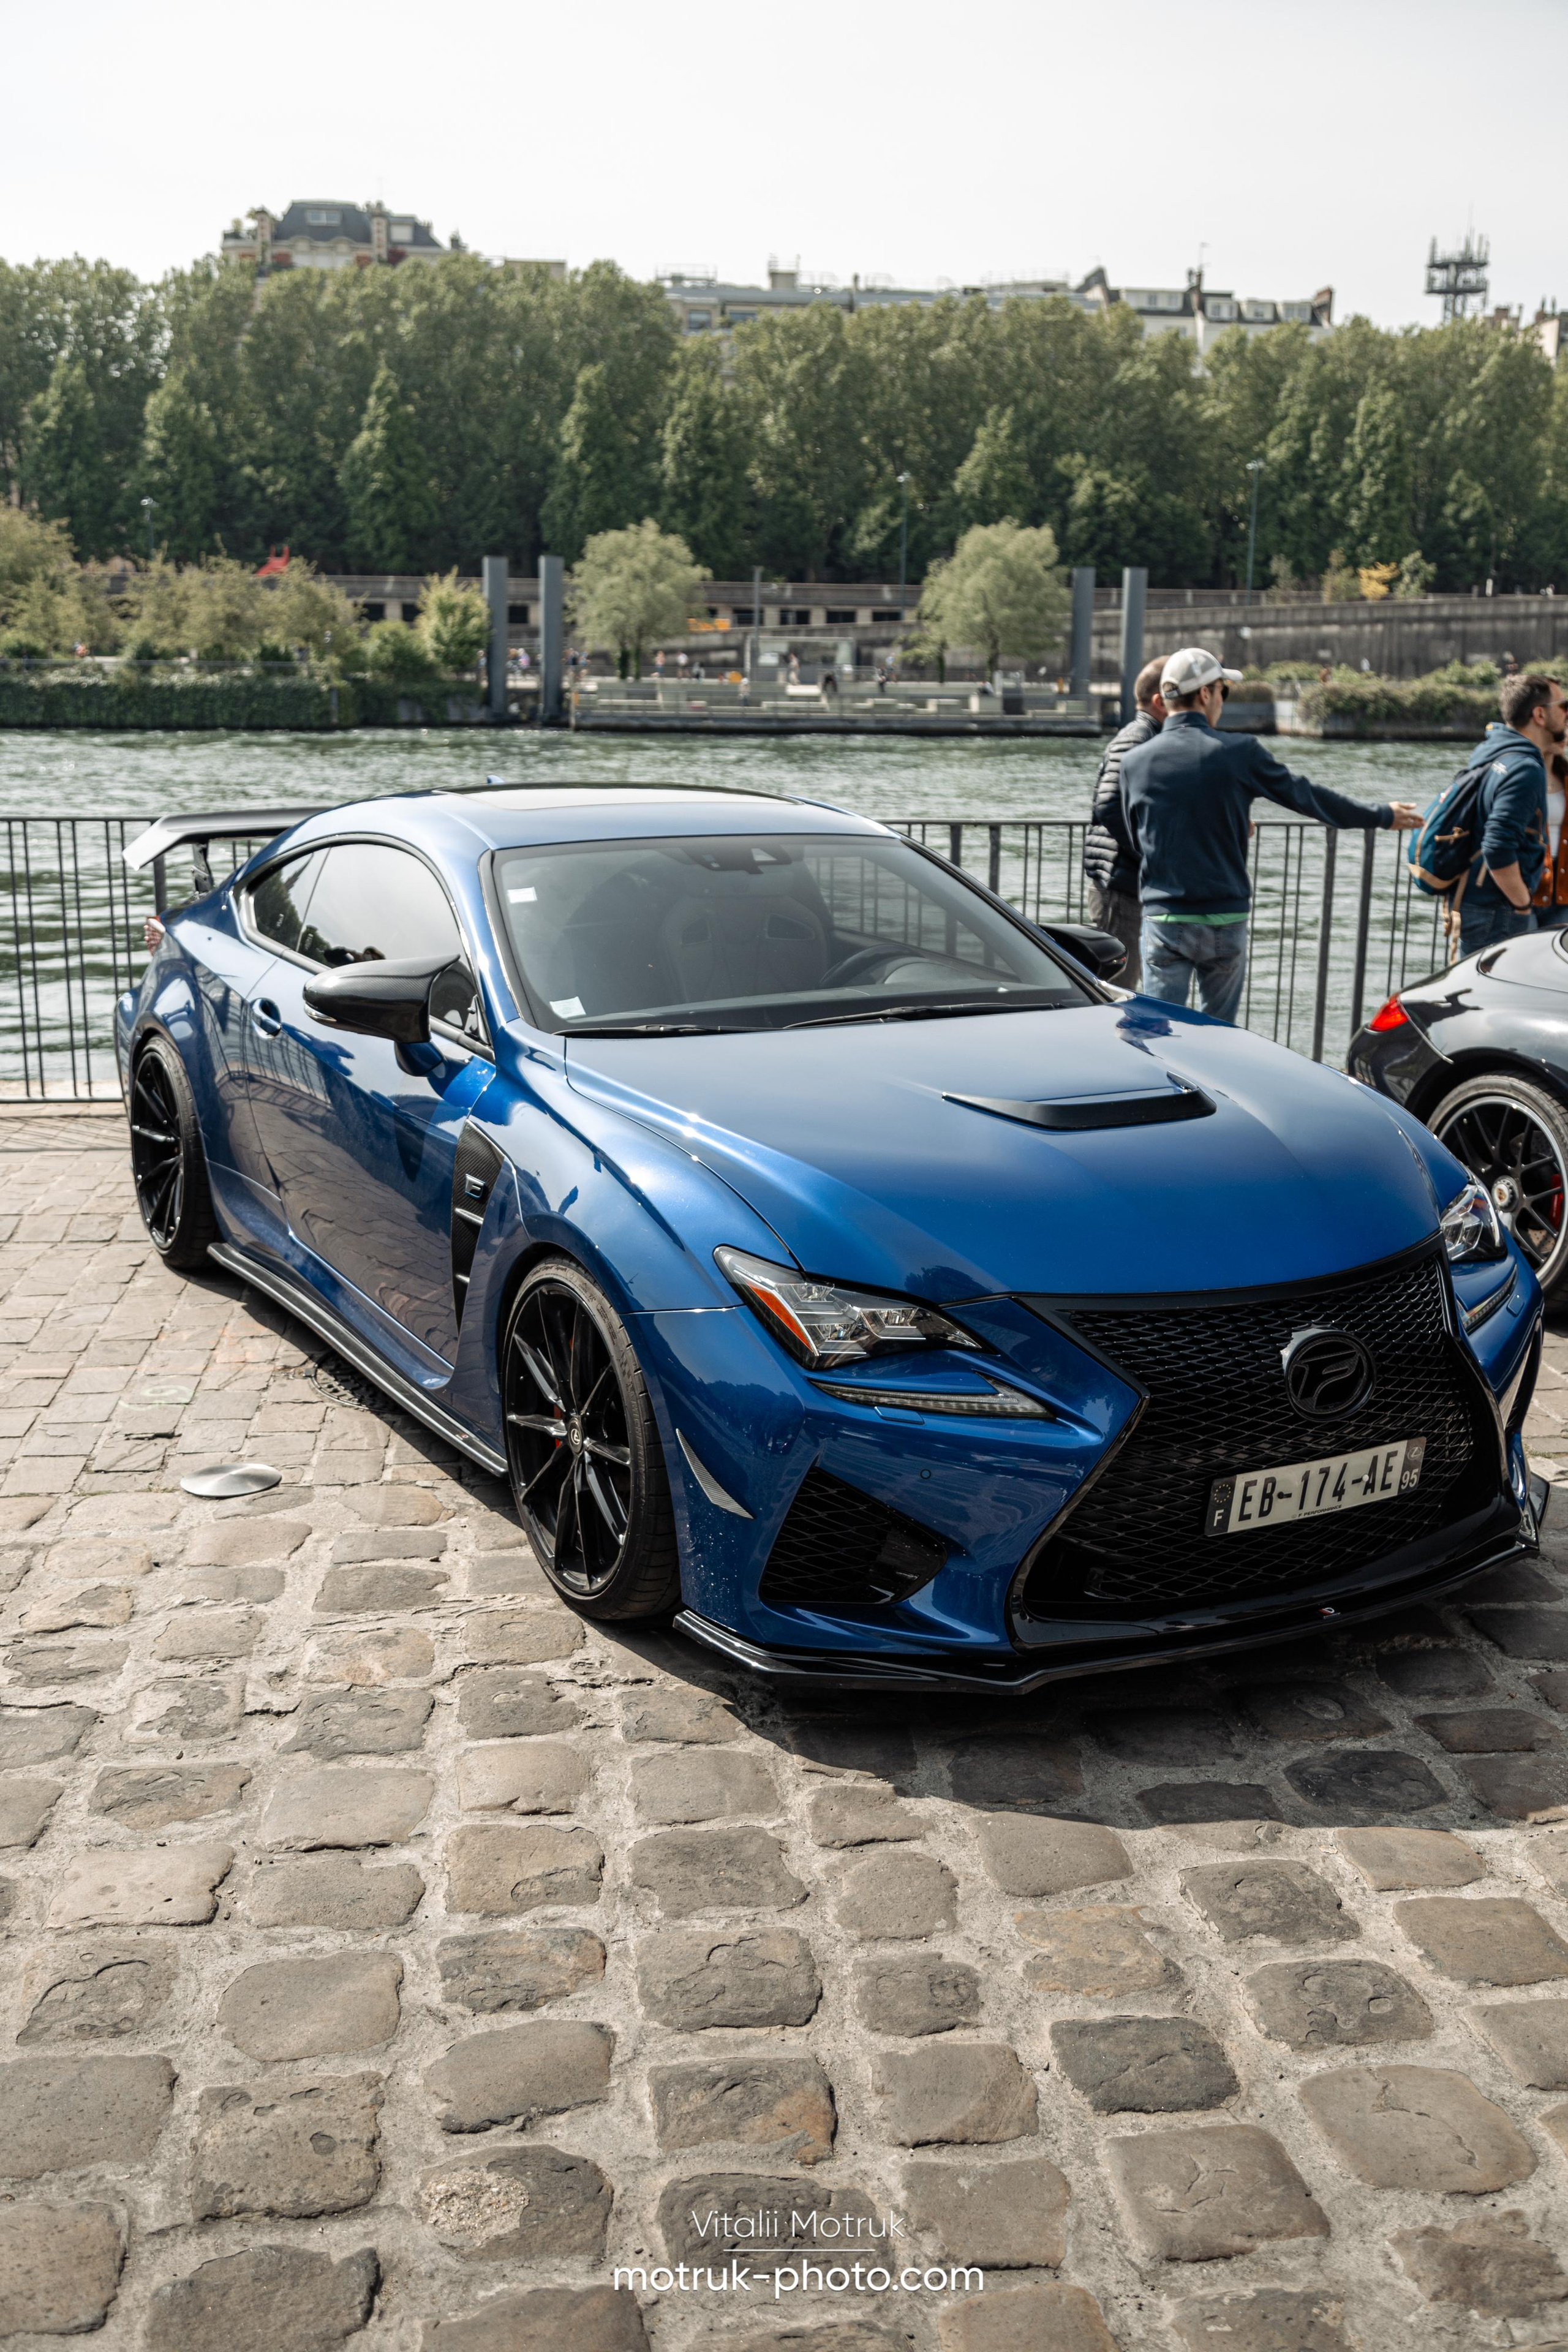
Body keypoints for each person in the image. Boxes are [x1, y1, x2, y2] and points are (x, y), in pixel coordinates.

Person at [1121, 646, 1421, 1024]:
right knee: (1217, 1035)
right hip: (1224, 917)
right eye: (1222, 691)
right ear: (1205, 694)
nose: (1222, 701)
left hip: (1165, 919)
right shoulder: (1240, 753)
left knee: (1158, 1032)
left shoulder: (1135, 763)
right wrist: (1381, 815)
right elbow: (1307, 797)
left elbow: (1139, 841)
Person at [1454, 672, 1568, 957]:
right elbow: (1497, 846)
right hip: (1504, 904)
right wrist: (1522, 905)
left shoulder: (1493, 752)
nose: (1567, 714)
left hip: (1492, 899)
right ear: (1540, 715)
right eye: (1563, 706)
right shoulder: (1525, 768)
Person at [1083, 655, 1166, 988]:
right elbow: (1109, 802)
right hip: (1122, 890)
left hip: (1126, 887)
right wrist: (1147, 854)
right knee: (1118, 994)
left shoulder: (1145, 735)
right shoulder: (1139, 737)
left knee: (1125, 993)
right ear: (1162, 700)